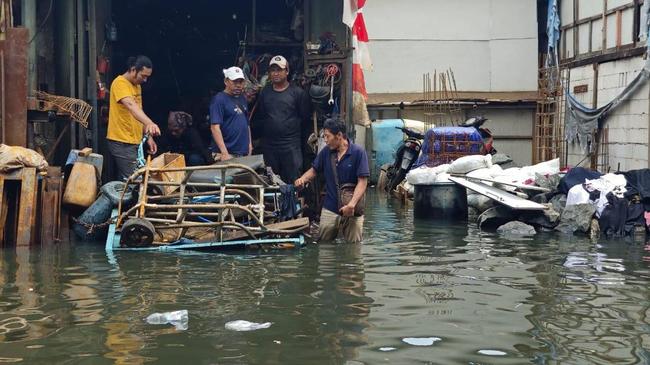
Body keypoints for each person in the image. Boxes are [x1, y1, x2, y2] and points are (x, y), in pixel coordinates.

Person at [295, 118, 369, 243]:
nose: (325, 140)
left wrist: (351, 205)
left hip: (352, 209)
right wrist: (302, 179)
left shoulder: (358, 152)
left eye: (327, 136)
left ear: (339, 135)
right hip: (330, 207)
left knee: (354, 248)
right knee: (324, 247)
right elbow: (314, 170)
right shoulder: (326, 153)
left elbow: (362, 182)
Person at [256, 55, 311, 183]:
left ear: (287, 71)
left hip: (290, 145)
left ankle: (294, 202)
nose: (275, 73)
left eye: (279, 70)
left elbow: (304, 118)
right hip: (270, 145)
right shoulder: (265, 92)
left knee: (294, 180)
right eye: (272, 70)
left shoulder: (297, 93)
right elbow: (263, 115)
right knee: (270, 180)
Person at [107, 55, 161, 180]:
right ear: (133, 70)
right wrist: (150, 123)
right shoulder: (119, 83)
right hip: (122, 142)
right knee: (136, 180)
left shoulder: (137, 86)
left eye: (147, 76)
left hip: (134, 142)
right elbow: (131, 105)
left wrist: (148, 136)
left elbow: (139, 111)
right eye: (143, 76)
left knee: (131, 181)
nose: (145, 80)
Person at [209, 66, 252, 161]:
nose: (238, 85)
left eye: (241, 82)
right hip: (227, 154)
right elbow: (215, 127)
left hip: (243, 153)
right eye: (235, 81)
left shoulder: (242, 98)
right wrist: (224, 153)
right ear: (226, 81)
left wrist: (249, 145)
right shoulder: (219, 100)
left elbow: (247, 124)